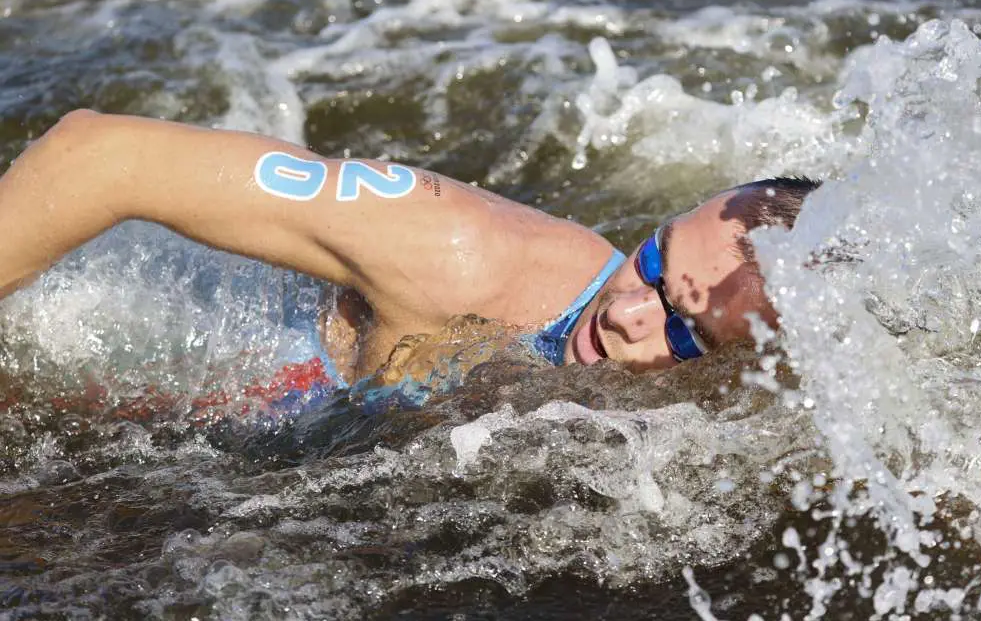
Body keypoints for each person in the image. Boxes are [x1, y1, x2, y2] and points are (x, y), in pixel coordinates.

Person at [0, 110, 820, 397]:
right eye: (652, 261)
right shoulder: (458, 252)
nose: (626, 313)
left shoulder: (752, 390)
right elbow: (98, 154)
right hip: (163, 343)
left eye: (685, 332)